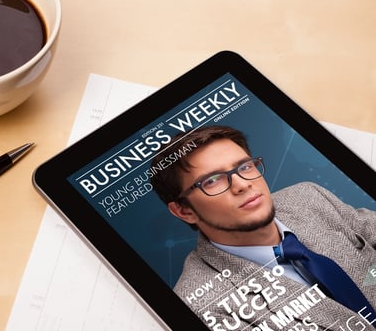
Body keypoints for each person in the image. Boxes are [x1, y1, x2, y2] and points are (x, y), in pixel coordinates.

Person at [151, 125, 376, 331]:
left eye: (245, 166)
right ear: (183, 211)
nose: (242, 184)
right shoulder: (200, 308)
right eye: (212, 180)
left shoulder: (307, 196)